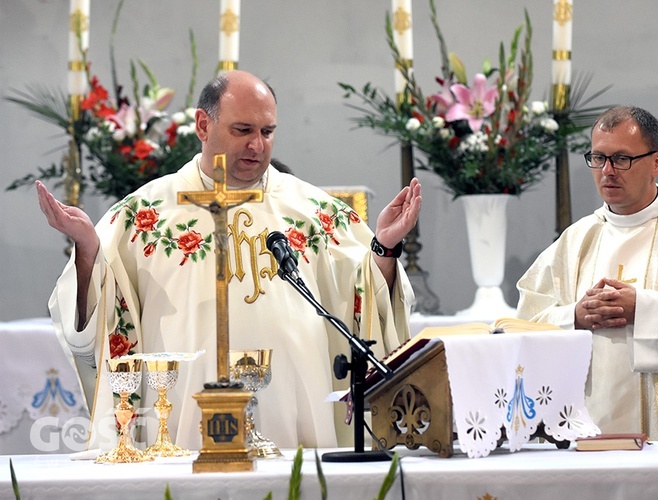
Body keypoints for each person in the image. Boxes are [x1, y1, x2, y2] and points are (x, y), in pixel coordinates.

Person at [36, 70, 421, 451]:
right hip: (185, 407)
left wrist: (384, 249)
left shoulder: (313, 210)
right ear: (204, 125)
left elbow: (365, 298)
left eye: (267, 132)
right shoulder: (145, 214)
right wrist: (88, 251)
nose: (257, 145)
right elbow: (100, 315)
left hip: (295, 406)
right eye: (243, 130)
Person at [516, 105, 658, 439]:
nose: (607, 171)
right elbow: (524, 323)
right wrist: (576, 316)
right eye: (598, 158)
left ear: (657, 162)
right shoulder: (577, 239)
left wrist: (644, 308)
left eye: (621, 159)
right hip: (587, 426)